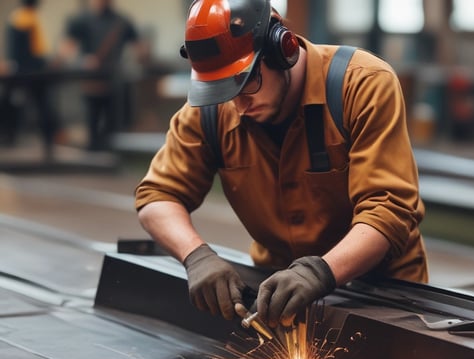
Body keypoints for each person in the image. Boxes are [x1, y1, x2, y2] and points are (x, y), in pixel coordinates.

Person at [135, 0, 428, 329]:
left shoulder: (362, 84)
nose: (239, 106)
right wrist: (196, 256)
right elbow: (157, 196)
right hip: (275, 294)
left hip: (384, 294)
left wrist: (320, 271)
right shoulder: (215, 110)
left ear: (281, 48)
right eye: (223, 91)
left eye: (247, 85)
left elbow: (388, 211)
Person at [58, 0, 147, 151]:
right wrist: (82, 61)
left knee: (113, 126)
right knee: (92, 122)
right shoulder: (81, 20)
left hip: (113, 81)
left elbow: (140, 49)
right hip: (90, 81)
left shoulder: (121, 21)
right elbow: (66, 50)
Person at [4, 0, 61, 159]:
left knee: (36, 107)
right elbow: (30, 52)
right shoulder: (25, 20)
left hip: (26, 72)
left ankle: (43, 141)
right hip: (30, 72)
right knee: (32, 106)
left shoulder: (23, 18)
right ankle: (15, 139)